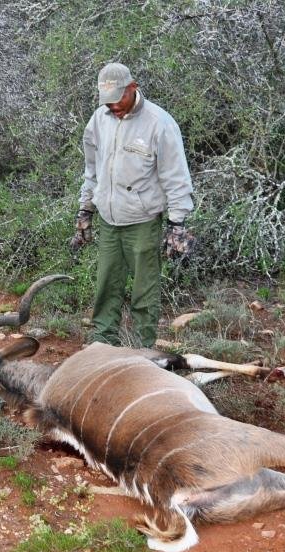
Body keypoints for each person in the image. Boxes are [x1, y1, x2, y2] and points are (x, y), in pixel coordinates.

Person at [72, 62, 195, 348]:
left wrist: (177, 224)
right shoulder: (99, 120)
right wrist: (85, 210)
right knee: (106, 286)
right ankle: (102, 345)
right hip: (109, 219)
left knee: (144, 289)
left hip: (142, 220)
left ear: (133, 87)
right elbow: (92, 170)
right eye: (107, 100)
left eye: (118, 98)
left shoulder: (159, 123)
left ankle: (144, 349)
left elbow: (176, 177)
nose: (113, 105)